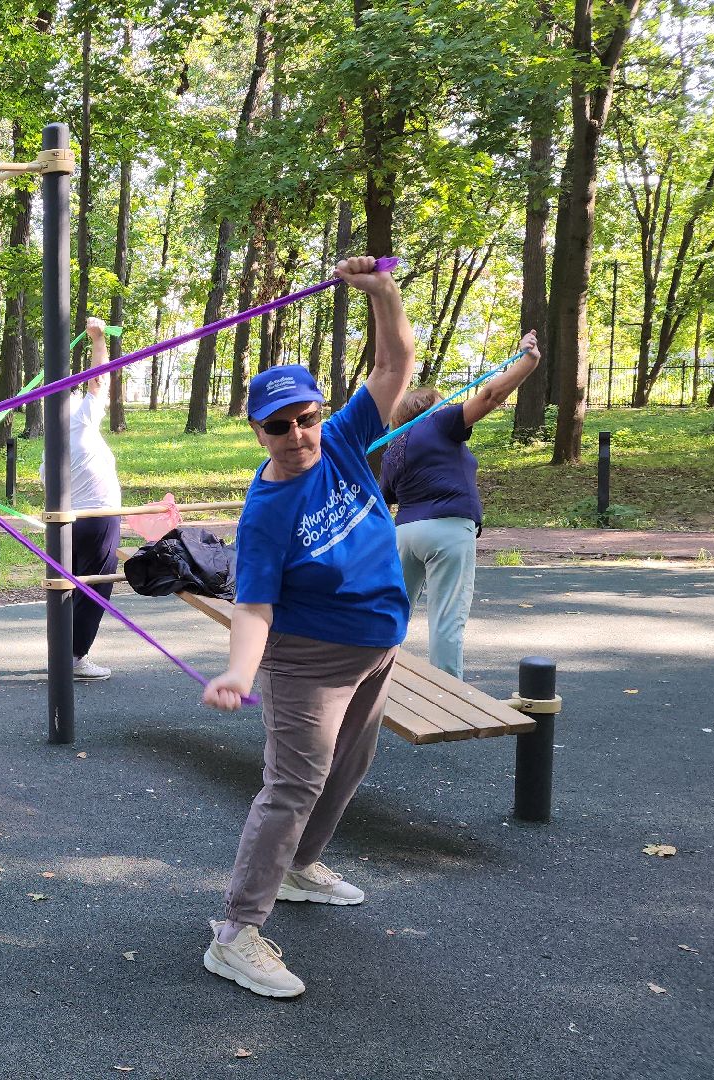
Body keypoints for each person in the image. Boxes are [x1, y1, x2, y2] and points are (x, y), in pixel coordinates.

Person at [199, 256, 414, 999]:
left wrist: (382, 292)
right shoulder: (265, 516)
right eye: (279, 427)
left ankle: (298, 869)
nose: (297, 435)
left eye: (305, 418)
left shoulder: (348, 441)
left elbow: (395, 361)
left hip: (377, 645)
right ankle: (234, 932)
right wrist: (236, 670)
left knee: (348, 770)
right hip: (311, 660)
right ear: (259, 433)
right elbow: (254, 607)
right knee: (292, 786)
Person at [381, 331, 542, 678]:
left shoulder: (394, 448)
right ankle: (448, 695)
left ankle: (370, 683)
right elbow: (489, 395)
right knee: (446, 618)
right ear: (433, 407)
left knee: (392, 614)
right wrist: (528, 361)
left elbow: (383, 498)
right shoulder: (439, 422)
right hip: (448, 530)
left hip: (405, 533)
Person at [67, 317, 122, 680]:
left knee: (71, 587)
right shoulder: (81, 422)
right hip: (98, 518)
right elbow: (100, 378)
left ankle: (66, 652)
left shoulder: (56, 439)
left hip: (70, 520)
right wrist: (99, 340)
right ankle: (75, 656)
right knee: (96, 587)